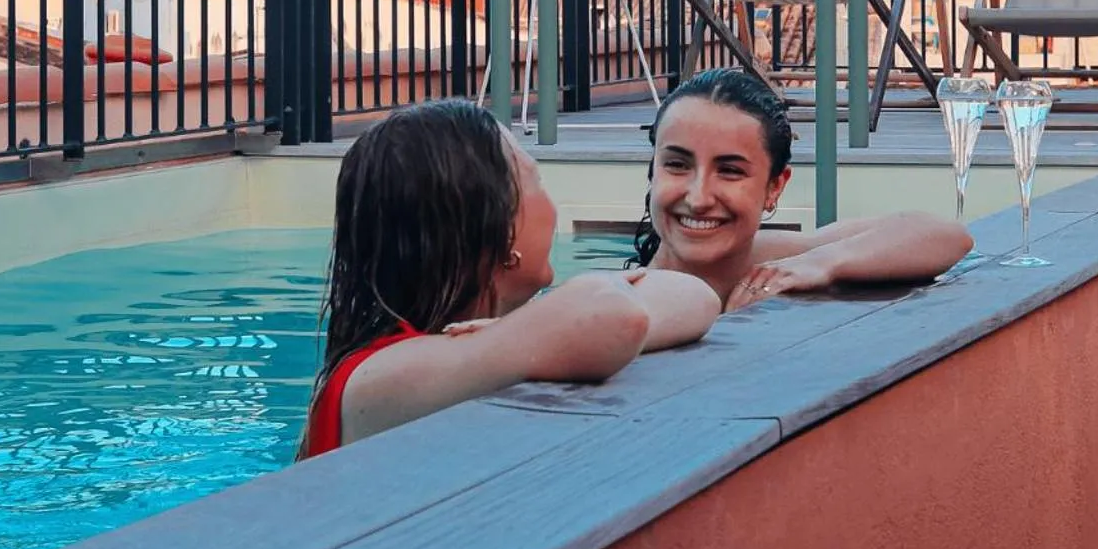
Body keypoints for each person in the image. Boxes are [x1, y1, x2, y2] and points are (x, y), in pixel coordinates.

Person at [300, 99, 721, 459]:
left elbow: (696, 297)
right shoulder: (382, 376)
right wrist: (563, 318)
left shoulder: (499, 341)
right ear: (502, 231)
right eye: (536, 180)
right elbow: (611, 316)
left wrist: (535, 326)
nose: (551, 204)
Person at [633, 68, 974, 309]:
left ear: (774, 188)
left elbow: (946, 236)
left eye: (730, 171)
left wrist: (820, 263)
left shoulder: (772, 260)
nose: (698, 198)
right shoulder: (625, 298)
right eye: (677, 165)